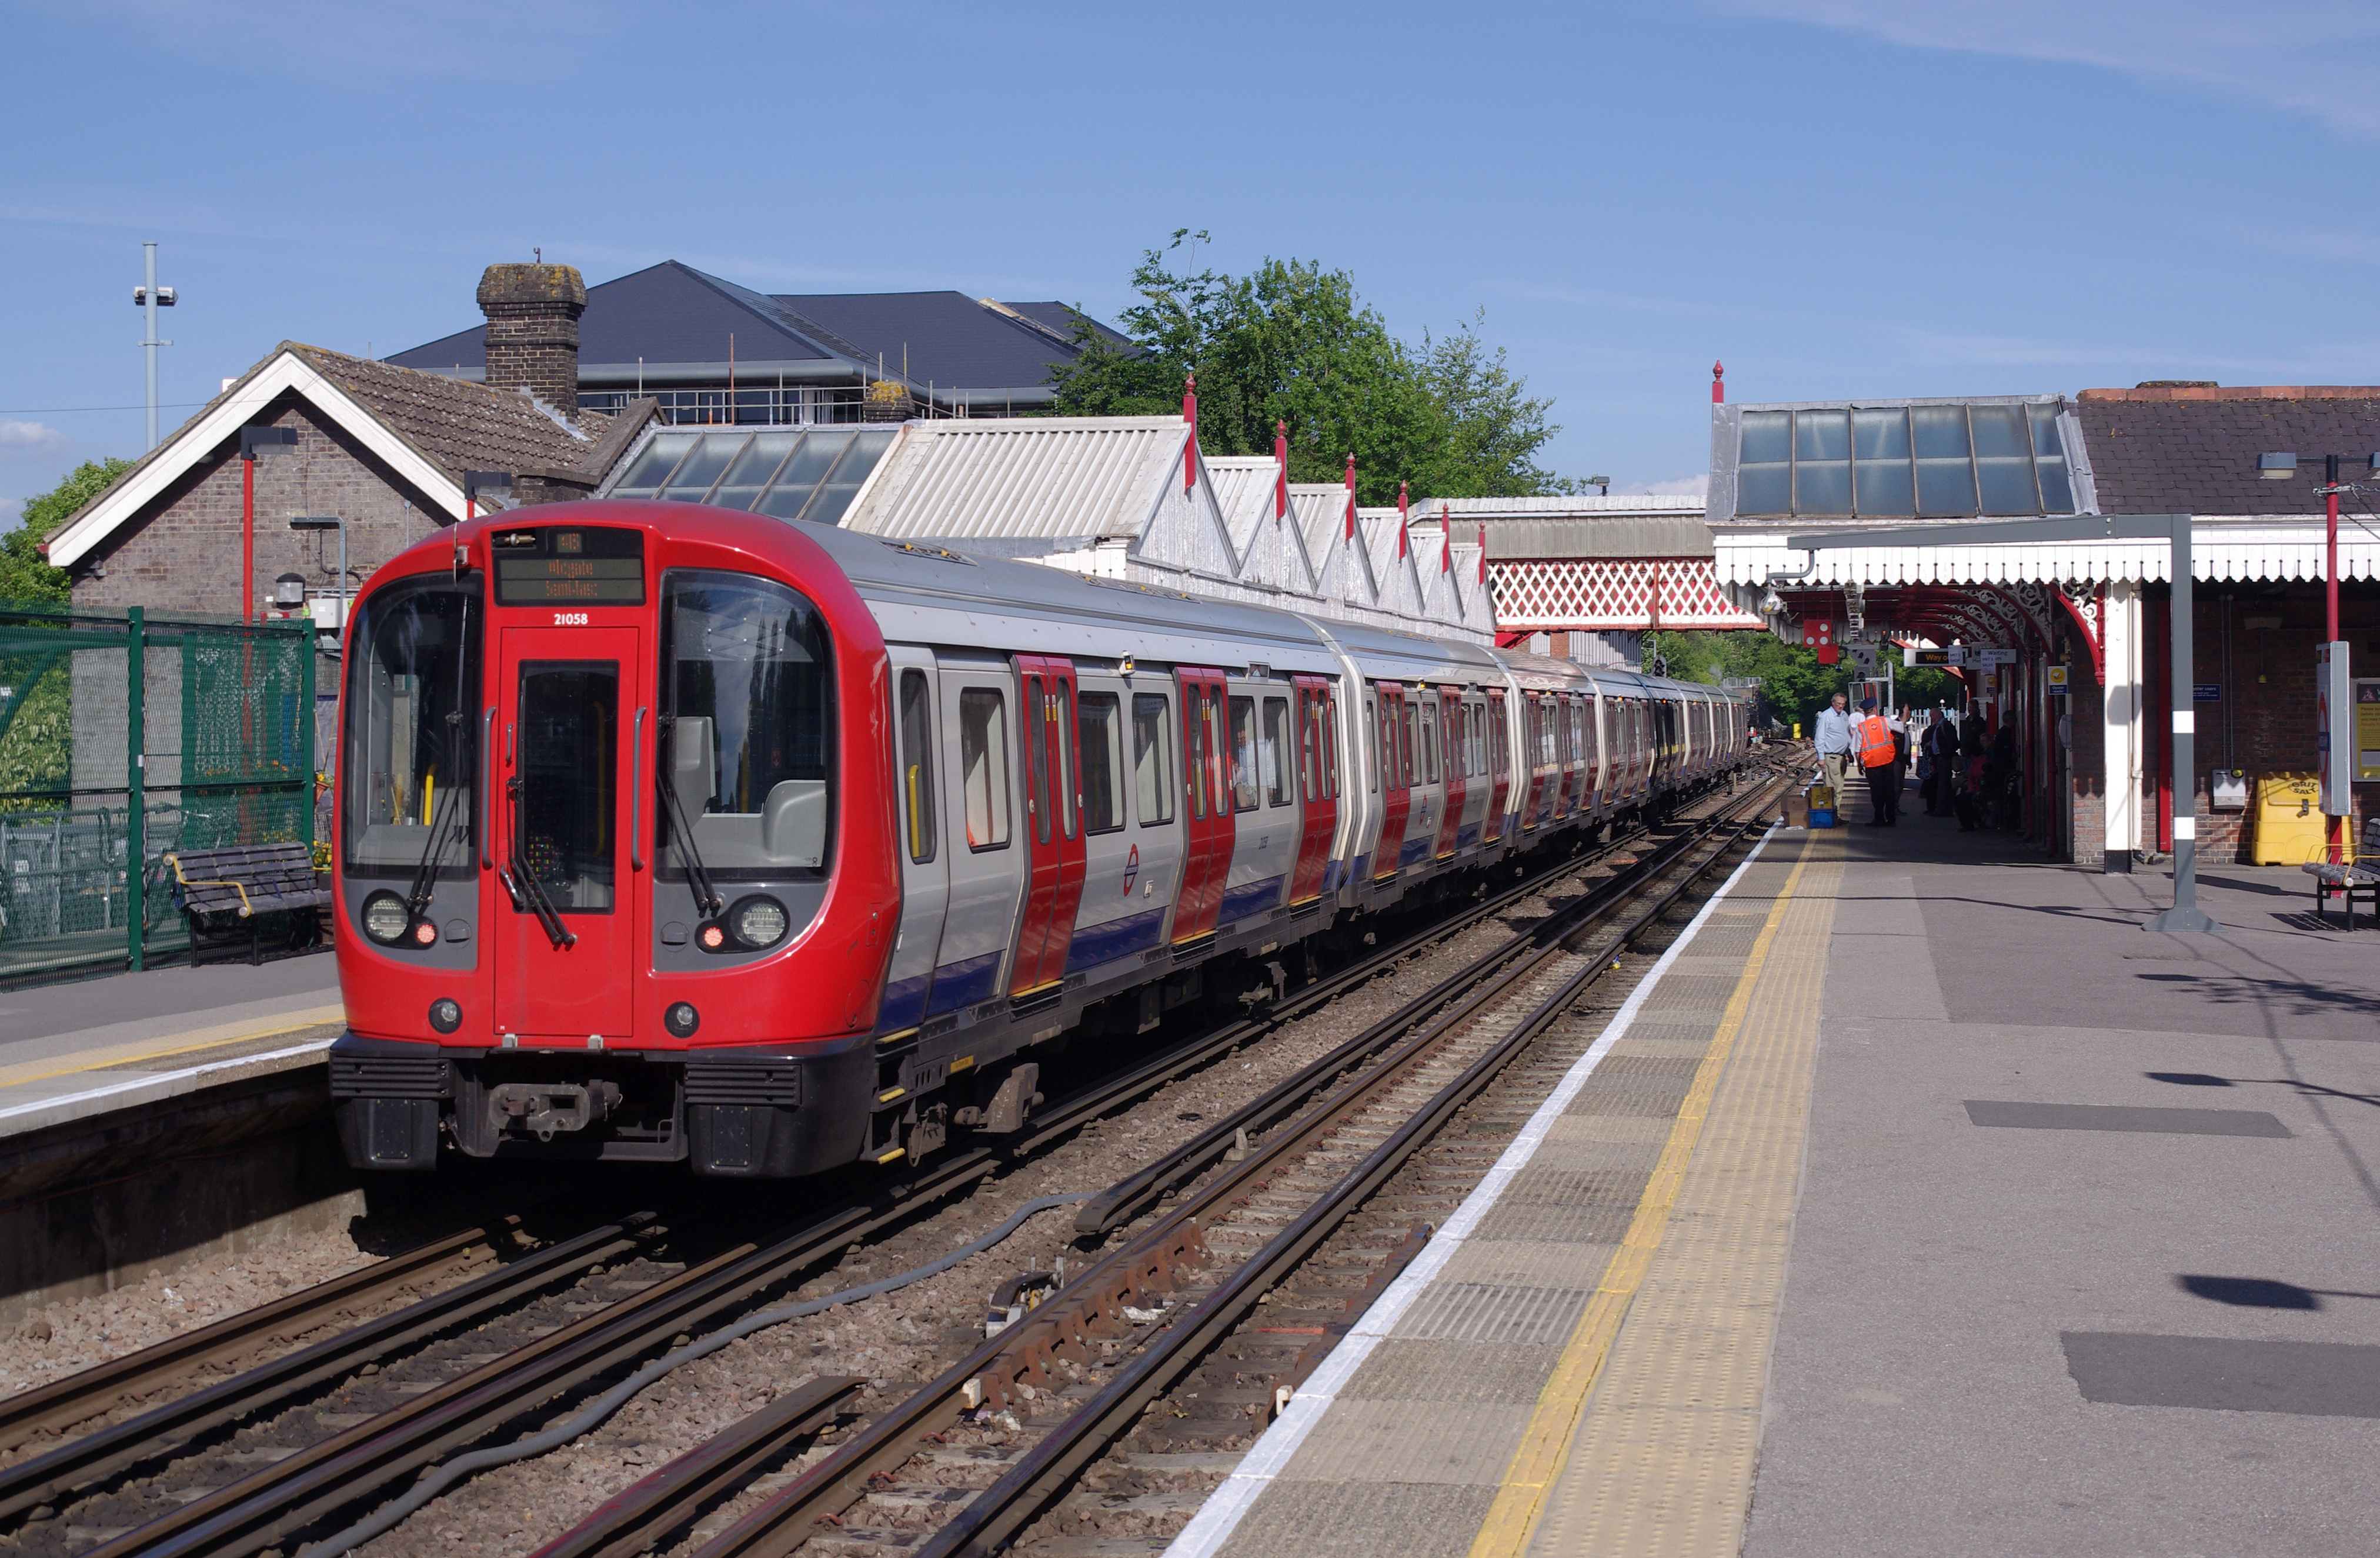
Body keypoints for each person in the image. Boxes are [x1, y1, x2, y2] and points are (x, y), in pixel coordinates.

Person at [1854, 696, 1900, 825]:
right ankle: (1891, 819)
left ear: (1864, 711)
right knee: (1889, 791)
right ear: (1875, 709)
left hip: (1871, 764)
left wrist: (1859, 765)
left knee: (1877, 792)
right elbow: (1900, 728)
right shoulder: (1885, 721)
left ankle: (1879, 818)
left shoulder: (1861, 727)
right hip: (1888, 762)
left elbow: (1857, 749)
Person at [1814, 690, 1852, 810]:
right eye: (1838, 704)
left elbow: (1846, 735)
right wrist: (1821, 757)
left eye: (1843, 704)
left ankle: (1836, 814)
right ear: (1833, 703)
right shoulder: (1826, 717)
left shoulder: (1844, 715)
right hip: (1831, 758)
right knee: (1832, 789)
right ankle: (1831, 814)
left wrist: (1849, 753)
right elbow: (1820, 738)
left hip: (1842, 758)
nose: (1841, 706)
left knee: (1839, 788)